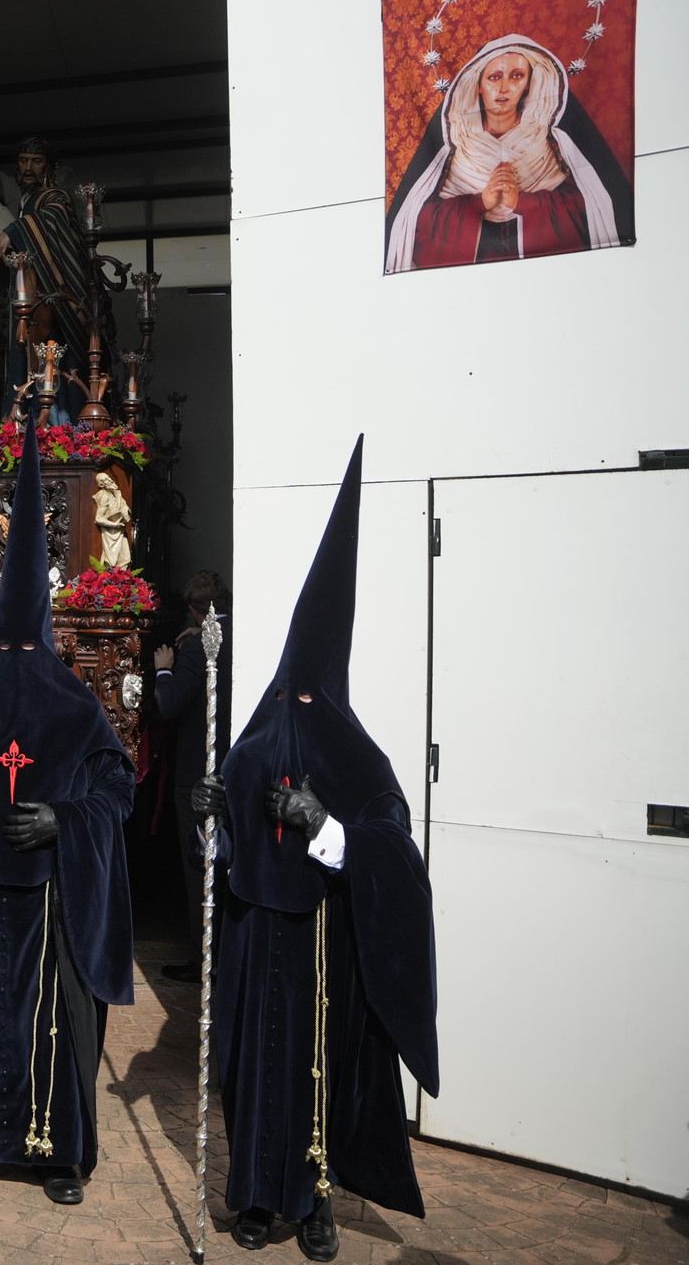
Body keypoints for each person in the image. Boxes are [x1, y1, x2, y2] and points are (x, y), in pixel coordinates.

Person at [191, 439, 438, 1261]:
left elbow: (395, 842)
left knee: (318, 1072)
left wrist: (327, 825)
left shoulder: (360, 752)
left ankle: (318, 1199)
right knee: (255, 1069)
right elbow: (219, 844)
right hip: (259, 940)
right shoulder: (256, 736)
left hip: (326, 946)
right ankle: (257, 1197)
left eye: (311, 687)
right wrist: (208, 816)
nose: (298, 702)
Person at [0, 410, 135, 1204]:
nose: (10, 662)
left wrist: (62, 821)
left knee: (46, 1026)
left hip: (49, 894)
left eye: (22, 645)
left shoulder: (76, 706)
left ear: (38, 632)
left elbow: (117, 789)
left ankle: (57, 1155)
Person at [385, 34, 631, 272]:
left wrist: (521, 202)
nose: (504, 88)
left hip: (549, 274)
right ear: (478, 85)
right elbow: (417, 223)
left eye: (516, 76)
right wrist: (481, 202)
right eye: (493, 77)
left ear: (528, 84)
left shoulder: (553, 143)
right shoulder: (456, 147)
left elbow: (589, 208)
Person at [0, 136, 107, 413]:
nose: (29, 167)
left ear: (50, 166)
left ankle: (59, 426)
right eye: (23, 161)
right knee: (27, 361)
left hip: (56, 300)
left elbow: (52, 216)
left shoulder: (54, 196)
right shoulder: (27, 201)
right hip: (33, 299)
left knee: (58, 364)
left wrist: (12, 232)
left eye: (36, 162)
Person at [151, 570, 232, 984]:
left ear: (194, 609)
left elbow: (169, 704)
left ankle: (205, 961)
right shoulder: (238, 635)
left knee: (199, 867)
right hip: (230, 769)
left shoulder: (200, 648)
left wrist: (165, 668)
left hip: (197, 776)